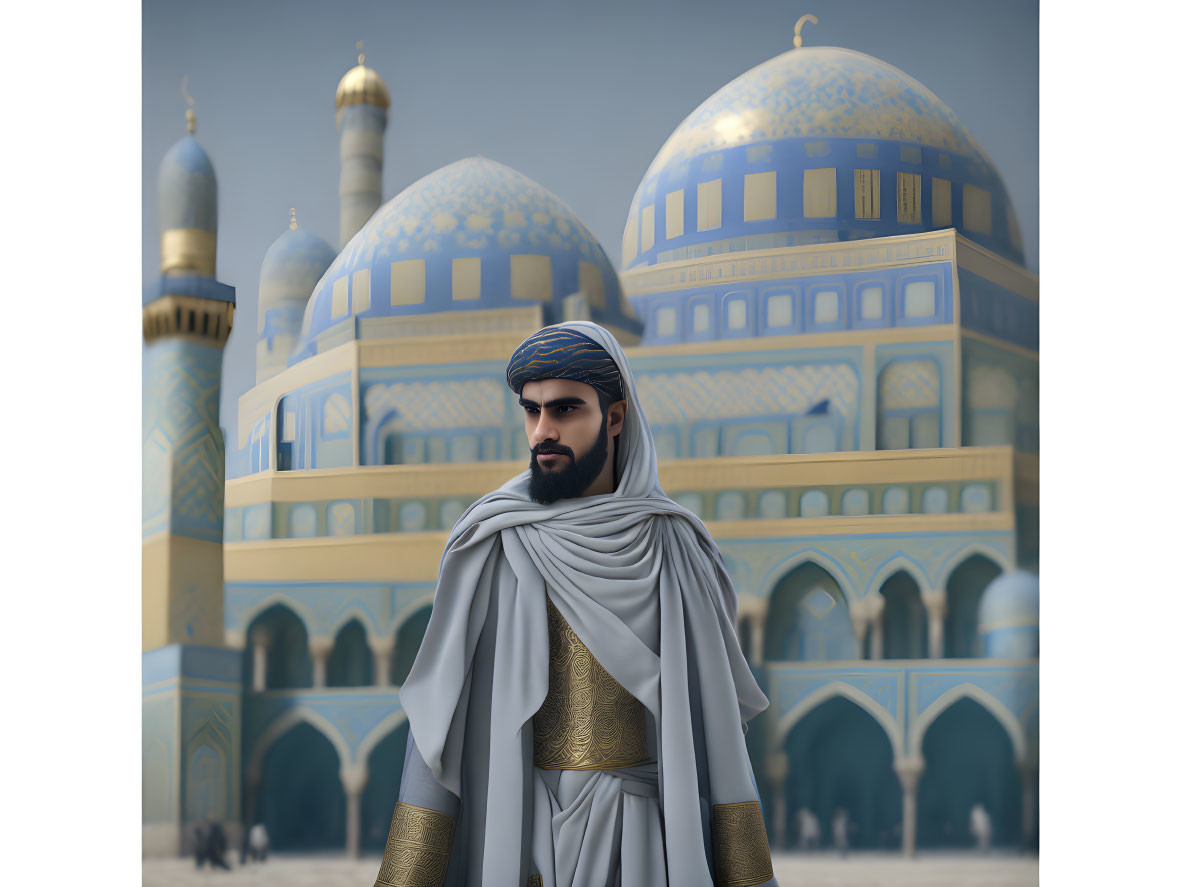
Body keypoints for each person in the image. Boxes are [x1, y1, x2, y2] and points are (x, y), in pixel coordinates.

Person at [372, 322, 777, 886]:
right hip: (522, 835)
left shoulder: (676, 547)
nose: (543, 431)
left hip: (644, 843)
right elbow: (441, 724)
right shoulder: (492, 540)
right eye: (532, 412)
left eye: (565, 410)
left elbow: (719, 741)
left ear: (614, 417)